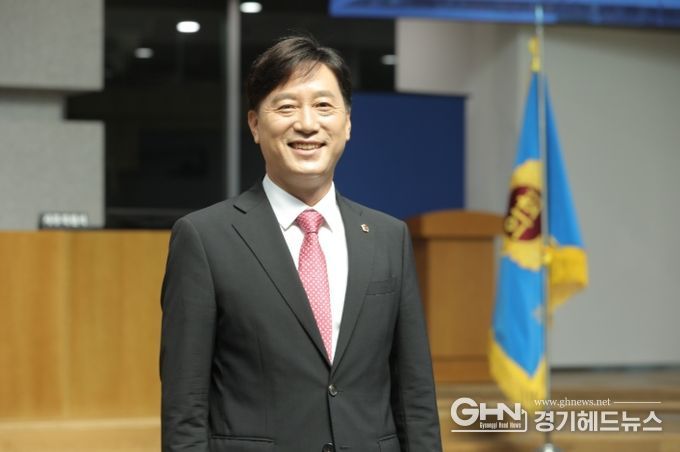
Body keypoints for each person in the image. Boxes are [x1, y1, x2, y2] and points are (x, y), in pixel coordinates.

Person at [160, 34, 442, 452]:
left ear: (347, 123)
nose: (307, 124)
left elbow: (414, 393)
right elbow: (185, 405)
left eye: (324, 106)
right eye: (287, 106)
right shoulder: (204, 238)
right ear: (255, 124)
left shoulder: (389, 237)